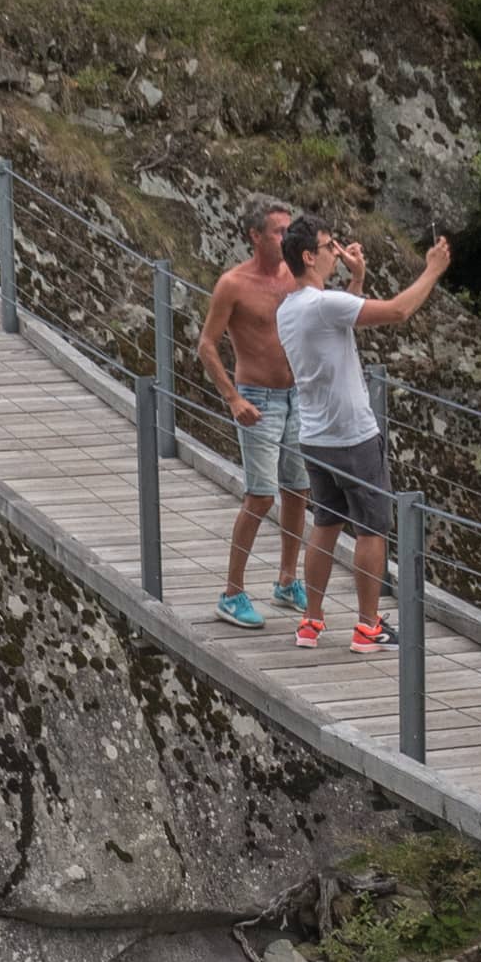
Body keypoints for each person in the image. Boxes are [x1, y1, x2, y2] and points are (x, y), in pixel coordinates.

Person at [273, 214, 450, 650]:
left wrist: (358, 277)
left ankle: (312, 622)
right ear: (309, 256)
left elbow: (340, 324)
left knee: (326, 524)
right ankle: (368, 626)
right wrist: (432, 270)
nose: (337, 251)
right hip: (353, 434)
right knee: (372, 528)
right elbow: (399, 311)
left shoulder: (290, 309)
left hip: (315, 437)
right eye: (330, 246)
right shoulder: (321, 304)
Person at [197, 201, 309, 631]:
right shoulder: (234, 284)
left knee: (298, 489)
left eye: (288, 230)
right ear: (255, 236)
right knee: (261, 496)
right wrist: (232, 399)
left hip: (297, 395)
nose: (286, 238)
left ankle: (287, 580)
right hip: (257, 398)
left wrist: (355, 273)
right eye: (279, 231)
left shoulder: (296, 276)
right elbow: (207, 344)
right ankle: (232, 592)